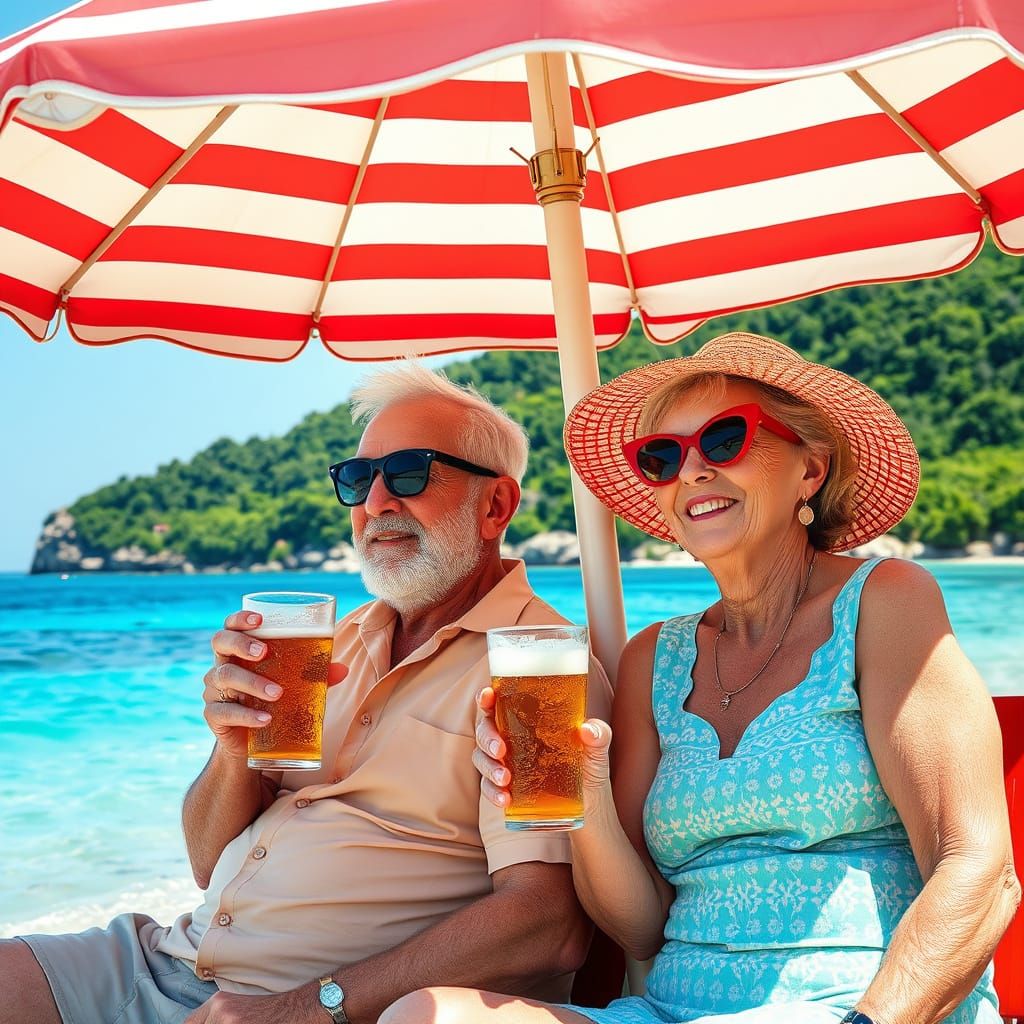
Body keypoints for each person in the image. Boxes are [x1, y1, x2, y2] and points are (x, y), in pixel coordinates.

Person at [380, 332, 1020, 1024]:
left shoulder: (885, 601)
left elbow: (979, 871)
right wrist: (584, 793)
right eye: (662, 458)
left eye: (724, 442)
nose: (691, 472)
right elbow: (641, 925)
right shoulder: (655, 657)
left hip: (860, 1006)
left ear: (811, 470)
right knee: (425, 1015)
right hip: (670, 1011)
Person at [0, 363, 612, 1024]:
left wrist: (311, 1006)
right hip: (169, 959)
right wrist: (232, 747)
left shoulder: (535, 668)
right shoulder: (332, 643)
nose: (376, 503)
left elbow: (547, 924)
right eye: (357, 479)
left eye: (409, 472)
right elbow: (208, 863)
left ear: (495, 507)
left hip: (320, 1002)